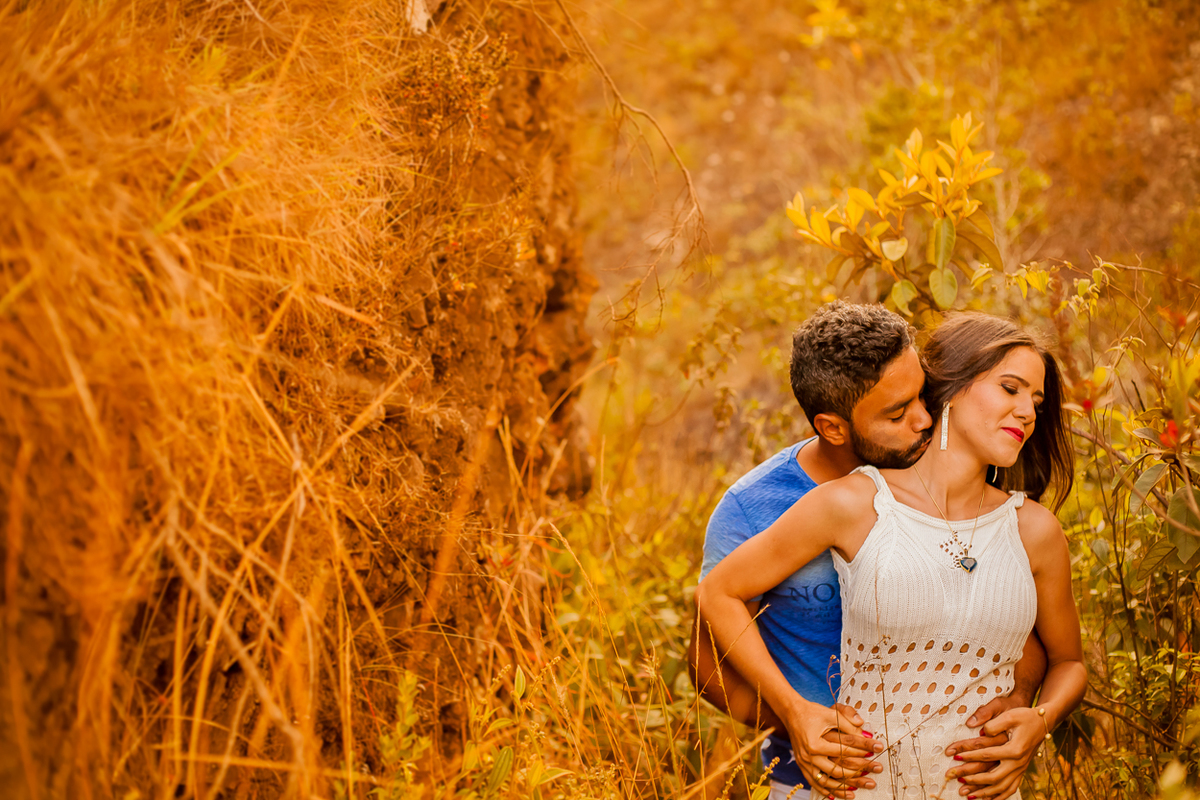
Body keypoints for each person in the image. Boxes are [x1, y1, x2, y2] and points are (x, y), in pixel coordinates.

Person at [696, 311, 1085, 800]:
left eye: (1037, 401)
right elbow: (712, 616)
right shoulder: (825, 503)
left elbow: (1043, 648)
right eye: (1010, 389)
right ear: (833, 428)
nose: (1028, 411)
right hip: (838, 776)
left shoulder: (1031, 527)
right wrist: (794, 715)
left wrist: (1034, 712)